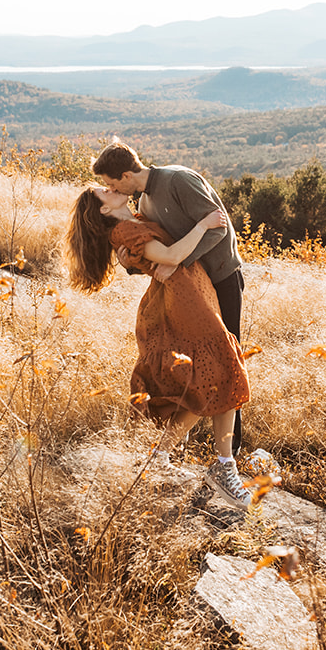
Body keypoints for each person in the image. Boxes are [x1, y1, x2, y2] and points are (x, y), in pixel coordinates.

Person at [65, 184, 254, 507]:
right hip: (183, 300)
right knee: (216, 375)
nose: (110, 188)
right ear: (103, 210)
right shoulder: (124, 230)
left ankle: (193, 460)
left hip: (193, 292)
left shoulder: (134, 220)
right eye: (103, 191)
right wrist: (204, 224)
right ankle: (211, 464)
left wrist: (135, 263)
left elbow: (157, 255)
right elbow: (171, 256)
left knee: (220, 374)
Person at [91, 139, 251, 452]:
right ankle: (184, 434)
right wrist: (132, 266)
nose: (111, 188)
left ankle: (232, 449)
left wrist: (180, 262)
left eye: (111, 183)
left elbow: (219, 227)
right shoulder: (144, 202)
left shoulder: (179, 180)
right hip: (191, 289)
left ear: (125, 175)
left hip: (221, 277)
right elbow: (159, 251)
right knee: (197, 363)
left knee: (227, 358)